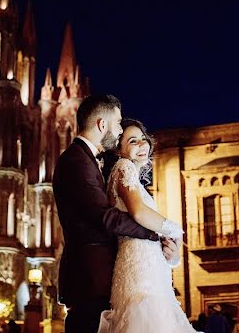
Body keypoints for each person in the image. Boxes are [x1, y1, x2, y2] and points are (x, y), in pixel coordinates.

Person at [53, 94, 177, 333]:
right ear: (102, 124)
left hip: (104, 280)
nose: (119, 129)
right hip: (89, 279)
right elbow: (105, 217)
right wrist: (155, 233)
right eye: (118, 123)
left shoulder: (88, 160)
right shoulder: (76, 160)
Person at [97, 118, 195, 332]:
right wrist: (174, 228)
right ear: (118, 150)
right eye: (133, 141)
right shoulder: (124, 167)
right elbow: (140, 213)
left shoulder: (132, 179)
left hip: (149, 267)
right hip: (139, 269)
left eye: (143, 139)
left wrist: (171, 254)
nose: (142, 144)